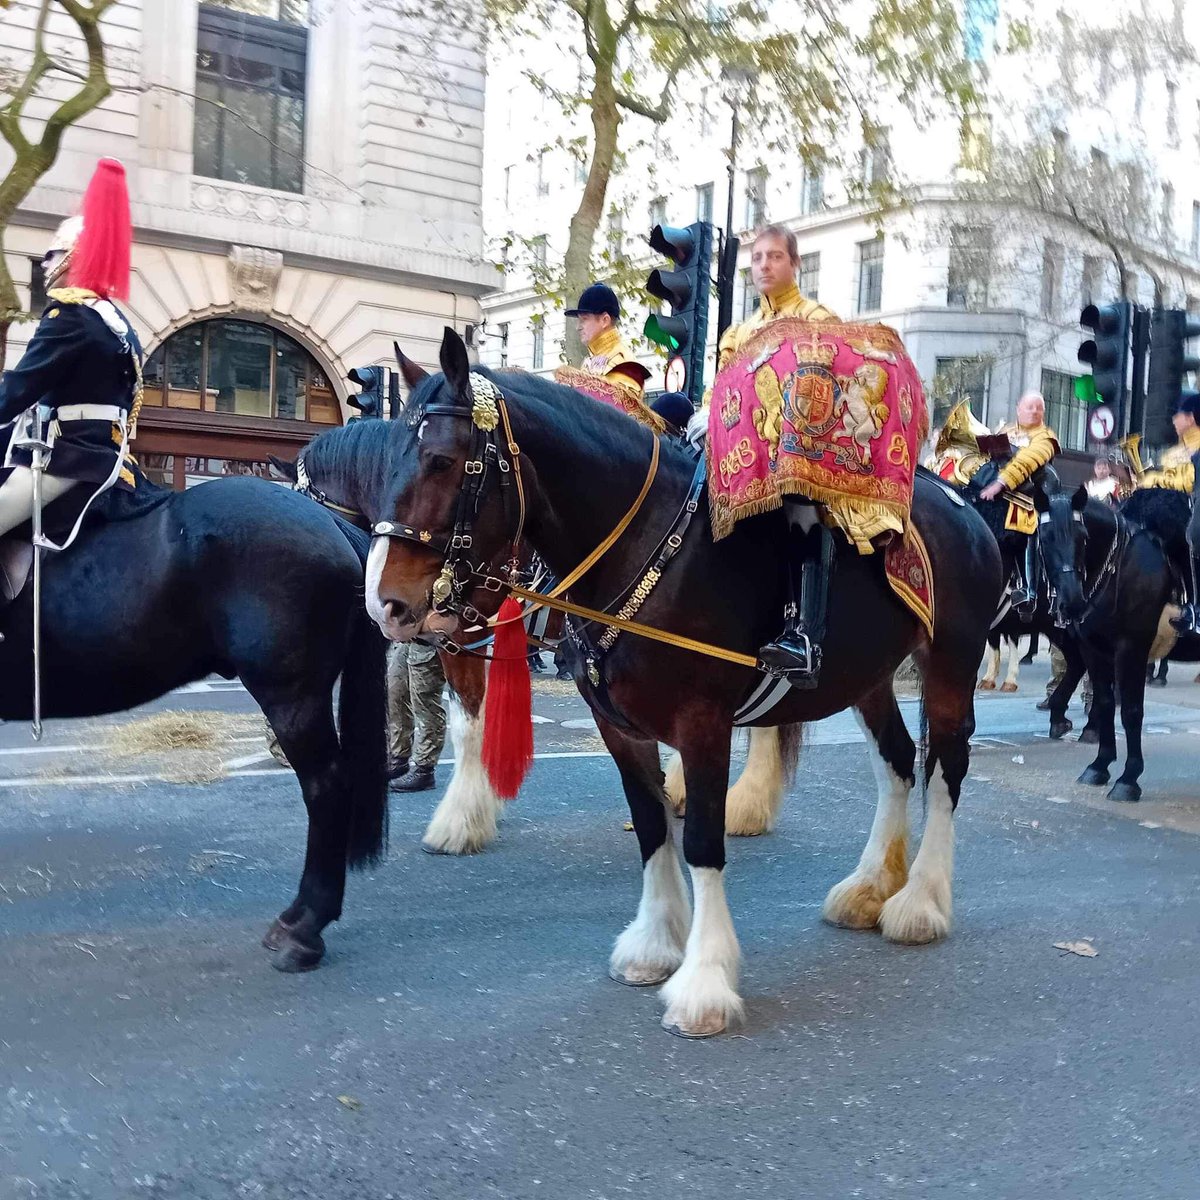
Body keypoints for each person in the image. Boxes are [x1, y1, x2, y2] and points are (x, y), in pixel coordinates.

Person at [712, 224, 839, 685]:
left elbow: (825, 388)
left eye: (775, 257)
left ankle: (805, 634)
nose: (764, 265)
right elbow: (722, 396)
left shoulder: (818, 319)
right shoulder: (737, 333)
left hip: (800, 454)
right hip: (742, 457)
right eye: (758, 257)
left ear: (795, 263)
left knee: (800, 504)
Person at [0, 159, 141, 536]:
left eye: (53, 254)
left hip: (70, 458)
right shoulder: (115, 322)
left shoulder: (69, 315)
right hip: (111, 456)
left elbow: (18, 389)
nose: (46, 264)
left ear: (75, 256)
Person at [978, 392, 1060, 613]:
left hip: (1028, 499)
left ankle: (1029, 591)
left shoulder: (1046, 438)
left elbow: (1027, 461)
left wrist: (1000, 483)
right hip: (996, 495)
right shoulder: (1005, 431)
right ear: (1018, 409)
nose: (1034, 411)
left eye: (1038, 407)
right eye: (1029, 407)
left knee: (1027, 528)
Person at [1141, 393, 1200, 632]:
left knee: (1191, 537)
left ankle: (1194, 607)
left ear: (1191, 417)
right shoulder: (1171, 453)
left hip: (1187, 511)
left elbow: (1189, 482)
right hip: (1169, 510)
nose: (1173, 420)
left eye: (1177, 415)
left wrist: (1155, 478)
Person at [565, 282, 651, 400]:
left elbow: (616, 414)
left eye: (584, 319)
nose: (578, 327)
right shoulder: (590, 360)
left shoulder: (624, 364)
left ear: (605, 320)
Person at [387, 641, 447, 792]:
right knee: (395, 691)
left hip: (430, 637)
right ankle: (398, 758)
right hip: (409, 636)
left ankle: (424, 770)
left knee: (425, 703)